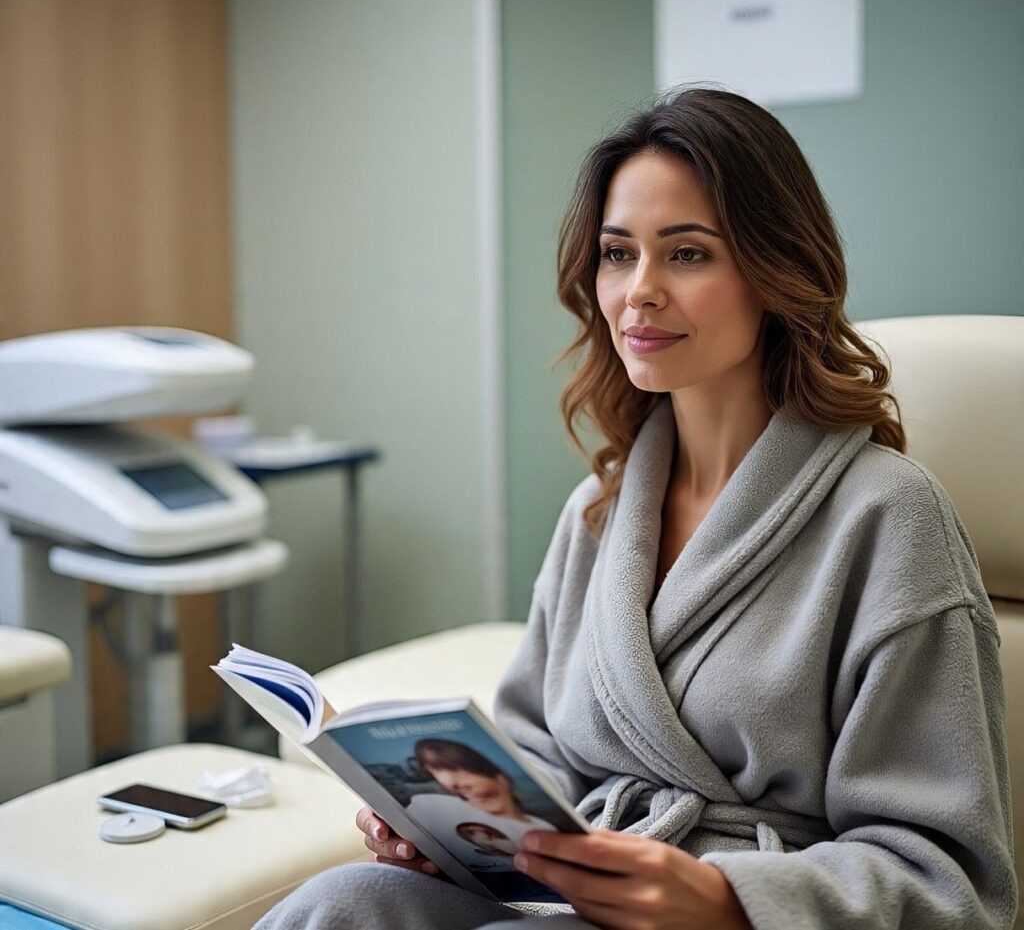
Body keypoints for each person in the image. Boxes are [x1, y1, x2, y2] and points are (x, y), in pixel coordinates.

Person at [253, 86, 1017, 930]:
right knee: (341, 902)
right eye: (618, 254)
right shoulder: (602, 509)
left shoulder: (889, 518)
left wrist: (727, 899)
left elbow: (953, 882)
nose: (639, 291)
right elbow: (538, 755)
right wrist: (447, 827)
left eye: (686, 254)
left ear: (774, 271)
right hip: (580, 894)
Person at [402, 739, 557, 870]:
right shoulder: (434, 806)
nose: (470, 795)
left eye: (469, 785)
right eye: (459, 792)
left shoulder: (544, 829)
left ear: (502, 779)